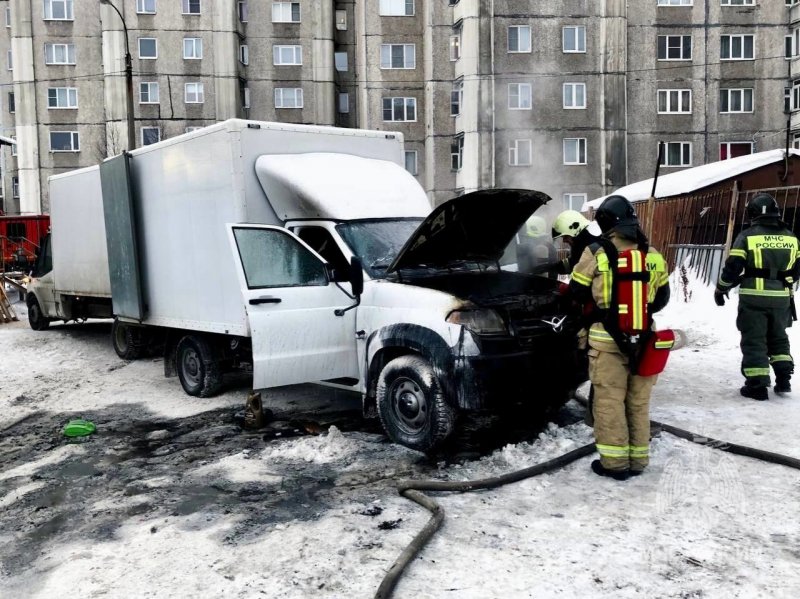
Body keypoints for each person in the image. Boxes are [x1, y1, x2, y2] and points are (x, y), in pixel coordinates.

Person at [569, 195, 670, 480]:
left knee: (609, 402)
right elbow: (662, 299)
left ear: (604, 222)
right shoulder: (653, 256)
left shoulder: (596, 251)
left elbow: (576, 291)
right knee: (638, 403)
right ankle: (638, 461)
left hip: (606, 341)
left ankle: (614, 465)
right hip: (644, 339)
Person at [714, 192, 799, 401]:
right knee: (778, 337)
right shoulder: (791, 237)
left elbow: (733, 267)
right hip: (781, 298)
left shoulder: (747, 236)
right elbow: (797, 270)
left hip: (753, 298)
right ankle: (784, 379)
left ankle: (757, 385)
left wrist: (721, 289)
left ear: (752, 213)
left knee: (754, 340)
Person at [530, 209, 600, 275]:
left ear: (575, 231)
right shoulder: (582, 244)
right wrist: (551, 267)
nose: (564, 241)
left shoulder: (594, 247)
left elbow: (582, 272)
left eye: (565, 237)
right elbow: (573, 263)